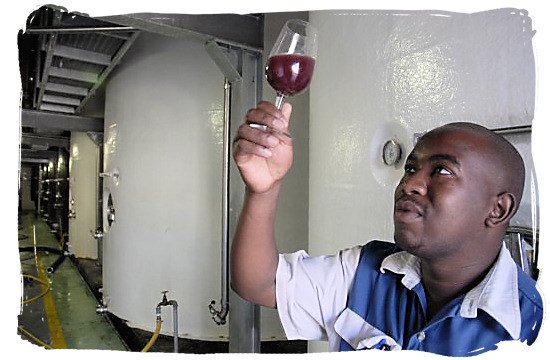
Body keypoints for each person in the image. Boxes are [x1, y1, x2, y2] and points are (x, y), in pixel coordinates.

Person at [230, 101, 543, 356]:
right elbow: (259, 285)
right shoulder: (368, 272)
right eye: (410, 168)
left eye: (442, 171)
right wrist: (264, 190)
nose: (410, 184)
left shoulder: (529, 328)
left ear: (498, 209)